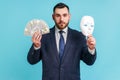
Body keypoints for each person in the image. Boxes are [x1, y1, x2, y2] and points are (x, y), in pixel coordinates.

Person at [27, 2, 97, 80]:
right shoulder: (43, 36)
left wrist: (91, 49)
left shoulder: (79, 36)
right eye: (58, 15)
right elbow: (31, 60)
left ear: (69, 17)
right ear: (53, 17)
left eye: (64, 15)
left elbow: (89, 62)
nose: (61, 19)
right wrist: (36, 46)